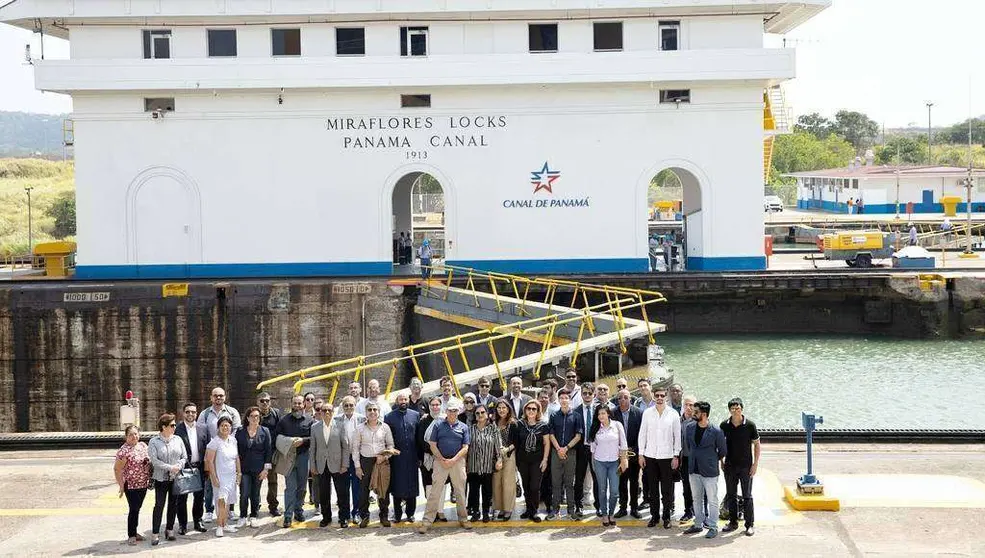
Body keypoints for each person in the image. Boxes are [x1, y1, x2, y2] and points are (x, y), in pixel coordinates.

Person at [418, 398, 472, 533]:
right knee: (435, 492)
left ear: (458, 411)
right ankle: (427, 521)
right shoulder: (438, 425)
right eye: (450, 410)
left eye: (455, 410)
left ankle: (463, 519)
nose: (452, 413)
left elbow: (465, 447)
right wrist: (441, 459)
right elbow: (432, 444)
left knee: (460, 492)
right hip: (440, 461)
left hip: (457, 462)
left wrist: (453, 460)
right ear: (446, 411)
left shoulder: (463, 427)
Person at [638, 387, 682, 529]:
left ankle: (667, 517)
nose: (660, 398)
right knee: (653, 489)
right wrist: (641, 454)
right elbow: (642, 434)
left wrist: (676, 455)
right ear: (653, 396)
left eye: (662, 395)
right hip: (650, 456)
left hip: (667, 457)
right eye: (657, 395)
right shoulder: (647, 413)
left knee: (667, 490)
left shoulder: (673, 414)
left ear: (666, 397)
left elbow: (677, 437)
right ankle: (654, 517)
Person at [682, 402, 727, 539]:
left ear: (704, 414)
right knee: (696, 499)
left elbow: (723, 451)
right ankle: (698, 524)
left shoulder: (716, 431)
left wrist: (711, 459)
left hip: (709, 471)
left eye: (696, 411)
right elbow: (690, 446)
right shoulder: (689, 428)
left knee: (712, 500)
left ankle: (713, 527)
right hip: (693, 469)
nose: (692, 413)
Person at [197, 386, 241, 523]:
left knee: (230, 482)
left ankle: (230, 509)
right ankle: (209, 510)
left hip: (227, 452)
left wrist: (225, 444)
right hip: (212, 451)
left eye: (221, 395)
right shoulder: (204, 414)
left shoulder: (232, 412)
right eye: (216, 395)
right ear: (211, 397)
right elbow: (201, 434)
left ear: (225, 397)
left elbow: (235, 430)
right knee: (211, 482)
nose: (218, 398)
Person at [721, 397, 760, 537]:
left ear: (741, 409)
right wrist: (721, 461)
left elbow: (757, 445)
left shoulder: (750, 425)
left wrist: (755, 464)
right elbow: (720, 445)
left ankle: (749, 525)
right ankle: (732, 522)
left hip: (746, 467)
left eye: (737, 408)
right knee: (731, 495)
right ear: (729, 410)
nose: (735, 411)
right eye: (732, 409)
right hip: (730, 466)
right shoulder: (724, 425)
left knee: (747, 496)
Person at [353, 402, 395, 528]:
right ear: (366, 412)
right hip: (365, 461)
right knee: (363, 490)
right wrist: (357, 467)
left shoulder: (385, 427)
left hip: (381, 461)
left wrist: (385, 456)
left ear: (378, 412)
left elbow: (391, 445)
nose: (372, 412)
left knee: (383, 490)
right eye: (369, 409)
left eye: (375, 409)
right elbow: (355, 448)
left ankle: (384, 515)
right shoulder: (360, 428)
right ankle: (364, 516)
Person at [275, 394, 313, 528]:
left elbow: (313, 438)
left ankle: (299, 511)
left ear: (304, 404)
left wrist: (303, 440)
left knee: (302, 487)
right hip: (289, 458)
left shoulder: (309, 420)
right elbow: (277, 437)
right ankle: (288, 515)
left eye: (299, 403)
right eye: (295, 403)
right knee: (290, 487)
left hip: (303, 457)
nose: (297, 405)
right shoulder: (284, 421)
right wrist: (289, 442)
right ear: (291, 404)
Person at [148, 413, 187, 545]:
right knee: (159, 505)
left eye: (175, 424)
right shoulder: (154, 441)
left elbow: (184, 457)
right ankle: (155, 533)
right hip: (161, 478)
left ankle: (169, 529)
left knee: (173, 504)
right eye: (172, 425)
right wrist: (170, 467)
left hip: (175, 477)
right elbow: (154, 460)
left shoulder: (178, 439)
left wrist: (179, 465)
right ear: (163, 427)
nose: (174, 427)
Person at [311, 403, 351, 528]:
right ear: (320, 413)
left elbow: (345, 447)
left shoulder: (340, 425)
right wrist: (313, 466)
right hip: (322, 464)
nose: (327, 412)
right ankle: (326, 517)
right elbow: (313, 448)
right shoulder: (315, 427)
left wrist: (345, 464)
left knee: (342, 493)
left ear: (333, 412)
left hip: (338, 465)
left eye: (329, 410)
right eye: (324, 410)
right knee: (324, 493)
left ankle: (343, 517)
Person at [588, 404, 628, 527]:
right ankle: (604, 514)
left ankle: (611, 513)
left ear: (608, 414)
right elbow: (593, 449)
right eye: (599, 414)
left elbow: (623, 444)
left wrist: (624, 460)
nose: (601, 416)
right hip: (599, 462)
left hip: (614, 462)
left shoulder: (617, 425)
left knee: (615, 491)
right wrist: (593, 464)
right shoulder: (595, 428)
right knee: (602, 489)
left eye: (603, 413)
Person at [384, 393, 421, 524]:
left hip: (412, 456)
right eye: (401, 399)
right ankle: (398, 514)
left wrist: (419, 456)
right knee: (397, 486)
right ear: (397, 401)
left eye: (405, 399)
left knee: (412, 485)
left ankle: (410, 513)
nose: (403, 401)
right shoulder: (389, 417)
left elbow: (418, 437)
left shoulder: (415, 415)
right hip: (396, 458)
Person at [548, 389, 583, 520]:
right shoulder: (553, 416)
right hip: (556, 453)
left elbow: (578, 436)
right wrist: (558, 449)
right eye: (561, 398)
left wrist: (566, 448)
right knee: (556, 483)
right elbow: (551, 434)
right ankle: (555, 510)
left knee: (569, 483)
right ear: (558, 400)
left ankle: (571, 511)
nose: (564, 400)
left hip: (571, 453)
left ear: (570, 400)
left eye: (566, 398)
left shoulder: (576, 416)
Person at [513, 400, 550, 522]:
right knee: (526, 486)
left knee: (535, 487)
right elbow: (516, 443)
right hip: (523, 460)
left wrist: (545, 460)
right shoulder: (519, 424)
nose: (531, 411)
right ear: (525, 410)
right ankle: (528, 509)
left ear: (538, 411)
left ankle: (534, 511)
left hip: (537, 461)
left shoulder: (543, 425)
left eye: (534, 409)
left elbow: (546, 443)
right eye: (529, 408)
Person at [235, 406, 272, 528]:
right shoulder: (240, 432)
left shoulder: (265, 431)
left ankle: (254, 515)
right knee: (244, 493)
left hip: (259, 469)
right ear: (247, 418)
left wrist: (266, 469)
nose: (254, 418)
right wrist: (237, 469)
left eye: (257, 416)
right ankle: (243, 516)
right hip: (244, 469)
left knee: (255, 493)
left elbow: (268, 451)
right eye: (252, 416)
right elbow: (236, 452)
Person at [175, 403, 208, 534]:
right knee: (182, 498)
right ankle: (182, 524)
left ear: (197, 413)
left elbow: (207, 447)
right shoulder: (177, 429)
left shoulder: (203, 428)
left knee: (199, 497)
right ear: (183, 413)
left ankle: (198, 521)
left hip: (199, 467)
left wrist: (207, 468)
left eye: (193, 412)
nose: (190, 414)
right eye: (188, 412)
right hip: (183, 468)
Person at [467, 402, 503, 522]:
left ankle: (486, 512)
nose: (480, 415)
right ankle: (476, 512)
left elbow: (498, 446)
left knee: (487, 491)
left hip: (488, 466)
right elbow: (466, 447)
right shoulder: (470, 429)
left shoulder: (493, 429)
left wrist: (499, 459)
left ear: (487, 414)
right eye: (477, 413)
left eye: (483, 412)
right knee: (474, 491)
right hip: (473, 466)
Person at [115, 425, 151, 546]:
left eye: (135, 434)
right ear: (126, 437)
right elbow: (117, 469)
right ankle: (131, 534)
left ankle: (134, 532)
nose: (133, 436)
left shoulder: (143, 446)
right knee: (134, 509)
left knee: (137, 508)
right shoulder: (123, 451)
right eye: (130, 434)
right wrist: (121, 485)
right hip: (130, 485)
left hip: (143, 483)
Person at [205, 416, 240, 537]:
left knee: (228, 502)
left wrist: (239, 473)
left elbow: (236, 458)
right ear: (219, 427)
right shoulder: (214, 442)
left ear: (231, 427)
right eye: (222, 425)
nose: (225, 427)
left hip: (231, 476)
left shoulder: (233, 440)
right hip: (220, 476)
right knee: (221, 501)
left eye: (227, 425)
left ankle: (225, 524)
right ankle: (219, 526)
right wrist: (214, 478)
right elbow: (209, 462)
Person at [610, 390, 643, 518]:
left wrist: (634, 449)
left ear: (630, 399)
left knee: (634, 482)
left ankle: (634, 508)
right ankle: (623, 507)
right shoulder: (612, 413)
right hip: (619, 454)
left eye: (625, 397)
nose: (622, 400)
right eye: (620, 398)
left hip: (634, 453)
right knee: (621, 482)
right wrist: (620, 450)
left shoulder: (639, 413)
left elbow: (642, 434)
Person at [417, 396, 448, 523]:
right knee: (429, 485)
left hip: (442, 458)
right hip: (428, 458)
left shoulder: (445, 420)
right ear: (429, 407)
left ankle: (440, 511)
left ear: (441, 406)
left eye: (437, 405)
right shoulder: (424, 421)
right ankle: (431, 512)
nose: (435, 407)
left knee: (442, 485)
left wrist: (441, 453)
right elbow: (420, 440)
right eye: (432, 405)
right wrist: (433, 452)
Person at [338, 396, 365, 523]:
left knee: (357, 486)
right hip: (343, 458)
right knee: (343, 487)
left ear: (355, 405)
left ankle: (356, 512)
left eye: (351, 405)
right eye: (346, 405)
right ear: (342, 407)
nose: (348, 407)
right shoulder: (336, 420)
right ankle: (345, 514)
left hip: (357, 458)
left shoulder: (362, 419)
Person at [573, 383, 598, 517]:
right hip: (581, 449)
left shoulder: (600, 410)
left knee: (597, 478)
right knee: (579, 479)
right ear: (581, 394)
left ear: (594, 394)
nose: (587, 396)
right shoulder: (575, 411)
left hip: (596, 449)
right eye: (584, 393)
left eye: (589, 393)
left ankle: (599, 506)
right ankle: (579, 506)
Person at [492, 398, 518, 521]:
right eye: (499, 408)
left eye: (504, 408)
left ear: (508, 409)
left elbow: (517, 442)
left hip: (509, 456)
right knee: (497, 483)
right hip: (495, 457)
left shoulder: (513, 423)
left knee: (508, 483)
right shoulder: (493, 423)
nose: (501, 410)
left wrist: (506, 449)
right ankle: (501, 508)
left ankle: (508, 509)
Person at [256, 392, 282, 516]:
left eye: (267, 400)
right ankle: (255, 505)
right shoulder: (254, 414)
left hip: (272, 454)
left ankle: (273, 506)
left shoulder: (276, 413)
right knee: (257, 481)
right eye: (262, 401)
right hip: (258, 455)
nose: (265, 403)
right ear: (257, 402)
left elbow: (281, 429)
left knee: (273, 481)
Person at [679, 395, 698, 524]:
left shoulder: (699, 421)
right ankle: (688, 511)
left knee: (698, 486)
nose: (688, 407)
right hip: (684, 458)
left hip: (696, 459)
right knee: (686, 486)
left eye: (691, 405)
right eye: (686, 405)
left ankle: (700, 511)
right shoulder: (677, 421)